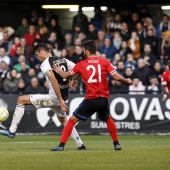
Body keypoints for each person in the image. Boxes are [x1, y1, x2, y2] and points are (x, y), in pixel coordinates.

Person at [0, 43, 86, 150]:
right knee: (64, 120)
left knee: (21, 100)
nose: (37, 58)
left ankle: (12, 131)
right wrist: (74, 79)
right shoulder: (62, 59)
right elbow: (80, 68)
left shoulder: (45, 64)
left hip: (54, 99)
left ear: (42, 52)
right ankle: (80, 145)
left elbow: (53, 80)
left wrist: (59, 99)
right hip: (64, 98)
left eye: (37, 55)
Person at [51, 40, 132, 151]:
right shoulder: (105, 62)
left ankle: (61, 146)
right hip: (103, 99)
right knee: (108, 119)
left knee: (71, 120)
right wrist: (127, 80)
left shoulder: (82, 64)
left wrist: (59, 71)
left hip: (91, 99)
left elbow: (65, 75)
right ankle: (116, 144)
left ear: (87, 51)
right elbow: (117, 77)